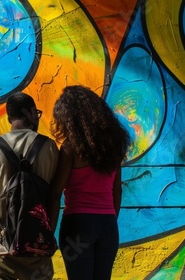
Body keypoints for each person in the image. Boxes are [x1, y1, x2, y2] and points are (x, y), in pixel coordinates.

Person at [0, 92, 59, 279]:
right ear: (30, 112)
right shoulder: (50, 147)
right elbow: (54, 198)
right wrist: (46, 238)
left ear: (9, 117)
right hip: (37, 252)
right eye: (36, 113)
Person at [47, 85, 130, 280]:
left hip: (78, 223)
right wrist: (108, 221)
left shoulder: (70, 148)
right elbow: (116, 191)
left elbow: (55, 194)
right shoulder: (114, 146)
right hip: (108, 224)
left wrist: (49, 231)